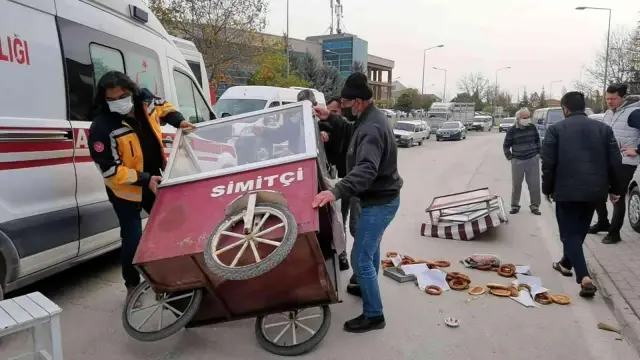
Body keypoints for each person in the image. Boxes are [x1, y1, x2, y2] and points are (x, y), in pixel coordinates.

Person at [88, 71, 194, 299]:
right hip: (126, 190)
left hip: (156, 179)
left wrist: (179, 120)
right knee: (133, 238)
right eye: (112, 98)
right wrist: (145, 179)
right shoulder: (102, 126)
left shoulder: (145, 100)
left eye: (123, 95)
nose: (118, 101)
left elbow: (164, 107)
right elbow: (110, 170)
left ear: (132, 92)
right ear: (104, 99)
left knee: (170, 230)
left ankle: (166, 280)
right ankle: (132, 284)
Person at [312, 72, 403, 333]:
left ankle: (374, 315)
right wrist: (330, 117)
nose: (346, 109)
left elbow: (365, 169)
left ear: (359, 103)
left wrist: (336, 190)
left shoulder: (372, 128)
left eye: (347, 105)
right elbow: (352, 128)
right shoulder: (368, 119)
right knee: (370, 252)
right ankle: (366, 288)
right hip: (380, 199)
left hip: (379, 203)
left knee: (360, 258)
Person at [541, 91, 622, 298]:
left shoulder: (555, 129)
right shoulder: (604, 129)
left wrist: (547, 188)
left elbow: (548, 163)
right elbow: (615, 162)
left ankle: (584, 277)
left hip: (566, 190)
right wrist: (616, 189)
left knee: (569, 234)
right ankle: (565, 262)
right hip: (595, 191)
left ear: (565, 109)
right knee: (579, 231)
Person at [588, 83, 640, 244]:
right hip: (606, 160)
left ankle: (614, 232)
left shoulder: (634, 113)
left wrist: (637, 150)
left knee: (617, 195)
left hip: (625, 161)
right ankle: (603, 222)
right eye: (607, 98)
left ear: (622, 97)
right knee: (597, 191)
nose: (609, 101)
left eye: (613, 98)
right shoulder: (609, 113)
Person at [502, 107, 542, 215]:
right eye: (524, 117)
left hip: (532, 159)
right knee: (517, 184)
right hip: (518, 160)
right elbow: (506, 145)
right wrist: (510, 157)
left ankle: (535, 206)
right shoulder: (512, 130)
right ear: (518, 118)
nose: (526, 119)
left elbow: (538, 141)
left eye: (528, 117)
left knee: (534, 184)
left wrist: (538, 153)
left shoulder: (532, 127)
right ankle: (515, 205)